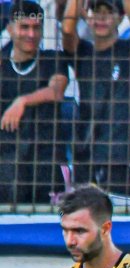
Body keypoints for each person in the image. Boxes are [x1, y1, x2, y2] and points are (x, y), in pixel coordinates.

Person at [61, 0, 130, 205]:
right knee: (84, 229)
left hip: (121, 160)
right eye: (95, 11)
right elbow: (67, 29)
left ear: (120, 17)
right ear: (87, 16)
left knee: (126, 231)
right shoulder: (83, 53)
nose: (101, 18)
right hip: (86, 161)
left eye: (108, 12)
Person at [0, 0, 68, 204]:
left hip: (46, 164)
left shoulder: (52, 60)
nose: (31, 34)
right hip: (7, 165)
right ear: (11, 29)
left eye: (36, 28)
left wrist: (23, 101)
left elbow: (57, 90)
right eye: (24, 27)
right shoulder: (3, 63)